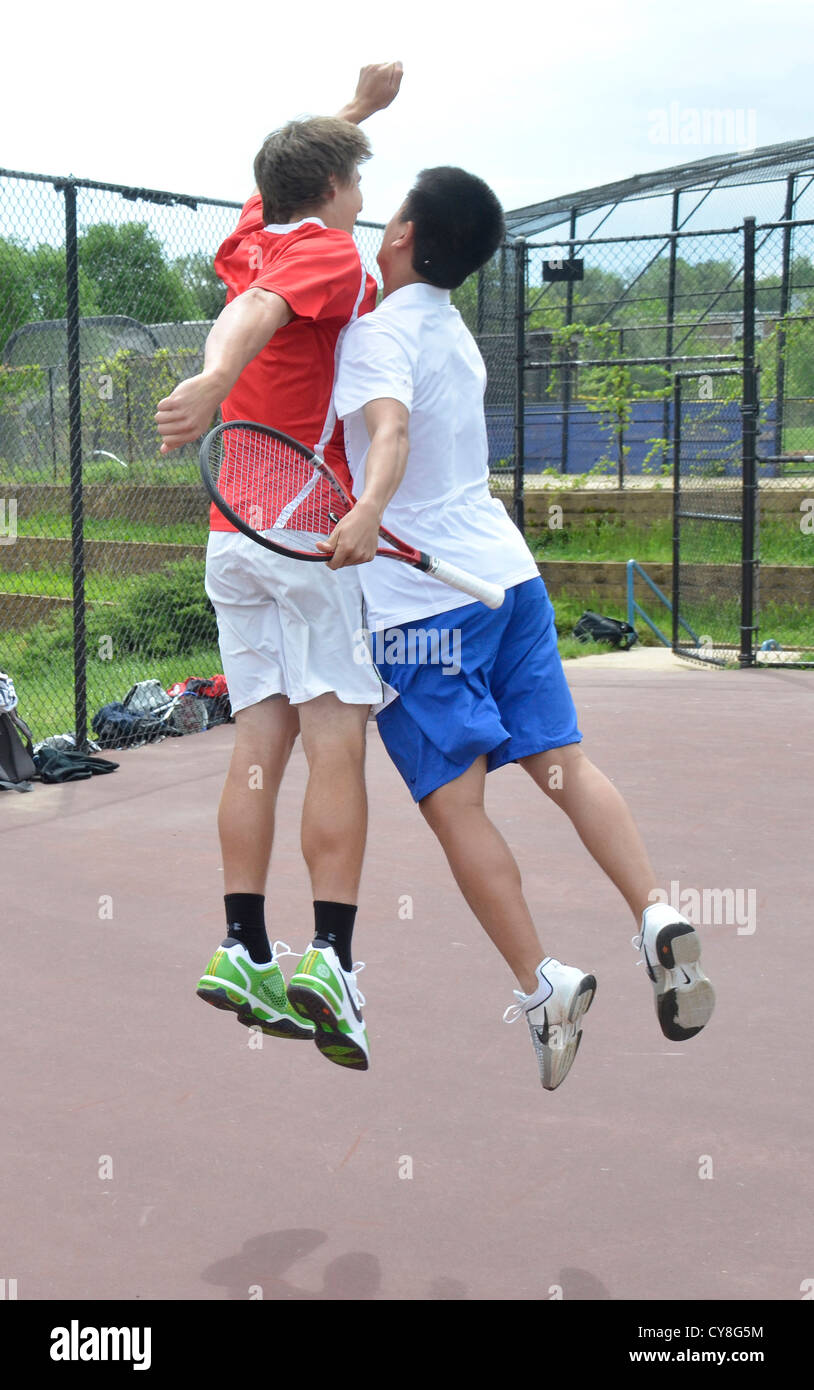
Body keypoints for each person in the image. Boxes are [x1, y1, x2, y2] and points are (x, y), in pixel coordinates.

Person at [326, 166, 716, 1090]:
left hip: (423, 611)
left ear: (403, 233)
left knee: (456, 805)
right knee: (564, 765)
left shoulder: (374, 338)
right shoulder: (456, 333)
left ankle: (544, 987)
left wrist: (371, 508)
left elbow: (390, 434)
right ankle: (655, 914)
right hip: (510, 580)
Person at [155, 63, 403, 1072]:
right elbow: (255, 312)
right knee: (336, 739)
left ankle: (243, 943)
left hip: (234, 540)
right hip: (306, 528)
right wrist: (214, 377)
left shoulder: (258, 225)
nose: (363, 193)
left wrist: (351, 111)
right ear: (338, 191)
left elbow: (271, 207)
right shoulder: (329, 259)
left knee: (259, 733)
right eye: (357, 175)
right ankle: (331, 959)